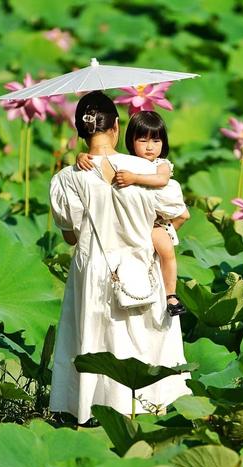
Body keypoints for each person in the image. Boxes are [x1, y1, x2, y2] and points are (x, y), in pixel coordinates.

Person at [48, 91, 191, 422]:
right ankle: (144, 413)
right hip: (139, 265)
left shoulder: (66, 179)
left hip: (92, 265)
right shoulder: (148, 171)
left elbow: (70, 236)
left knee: (93, 339)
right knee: (139, 339)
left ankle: (88, 412)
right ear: (116, 126)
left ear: (80, 132)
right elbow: (176, 212)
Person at [78, 111, 189, 317]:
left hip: (154, 224)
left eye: (156, 140)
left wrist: (134, 178)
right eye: (143, 140)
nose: (150, 147)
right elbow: (102, 156)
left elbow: (162, 180)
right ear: (130, 140)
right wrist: (82, 156)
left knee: (166, 252)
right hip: (125, 227)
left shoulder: (160, 165)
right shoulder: (123, 160)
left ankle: (171, 295)